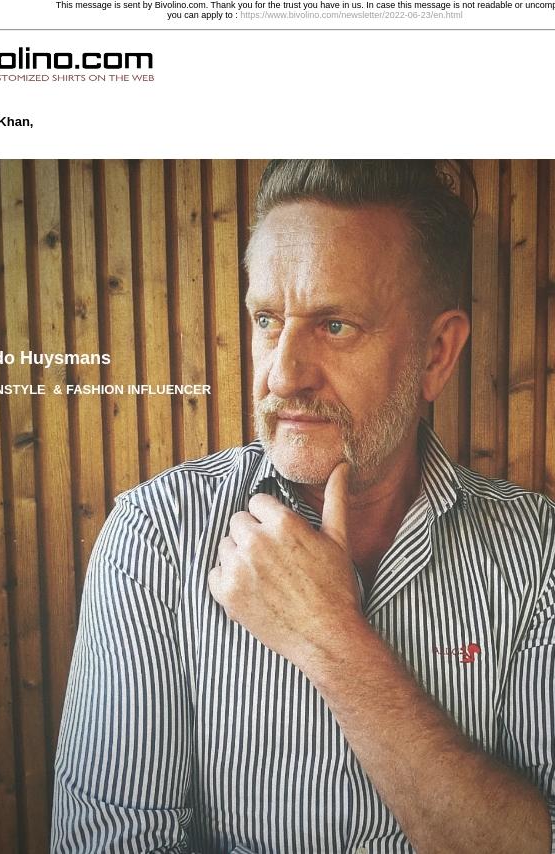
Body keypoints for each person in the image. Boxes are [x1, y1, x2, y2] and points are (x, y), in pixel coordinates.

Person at [51, 161, 555, 854]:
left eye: (336, 325)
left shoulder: (535, 553)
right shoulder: (157, 538)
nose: (283, 375)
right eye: (267, 320)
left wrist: (331, 638)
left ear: (437, 354)